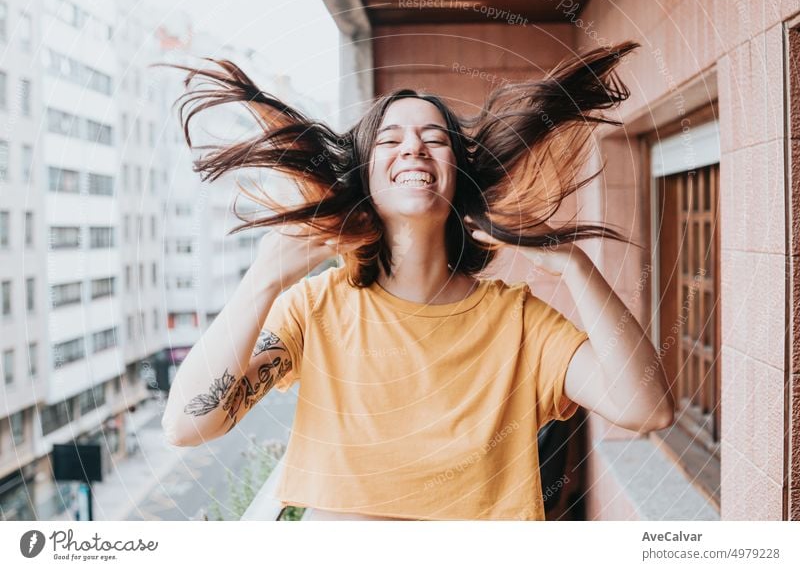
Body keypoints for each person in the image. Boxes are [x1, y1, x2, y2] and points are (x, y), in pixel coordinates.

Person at [160, 40, 674, 521]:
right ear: (365, 177)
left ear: (459, 177)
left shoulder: (519, 322)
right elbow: (187, 425)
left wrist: (575, 264)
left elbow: (646, 408)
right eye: (390, 140)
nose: (413, 149)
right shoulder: (313, 309)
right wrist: (263, 280)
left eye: (435, 139)